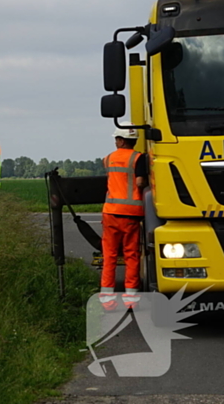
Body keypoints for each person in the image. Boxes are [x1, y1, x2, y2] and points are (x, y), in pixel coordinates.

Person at [99, 124, 148, 311]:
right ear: (133, 141)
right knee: (132, 256)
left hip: (111, 212)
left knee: (109, 256)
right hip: (131, 214)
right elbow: (140, 182)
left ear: (120, 140)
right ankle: (131, 301)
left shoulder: (108, 158)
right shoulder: (138, 158)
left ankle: (107, 301)